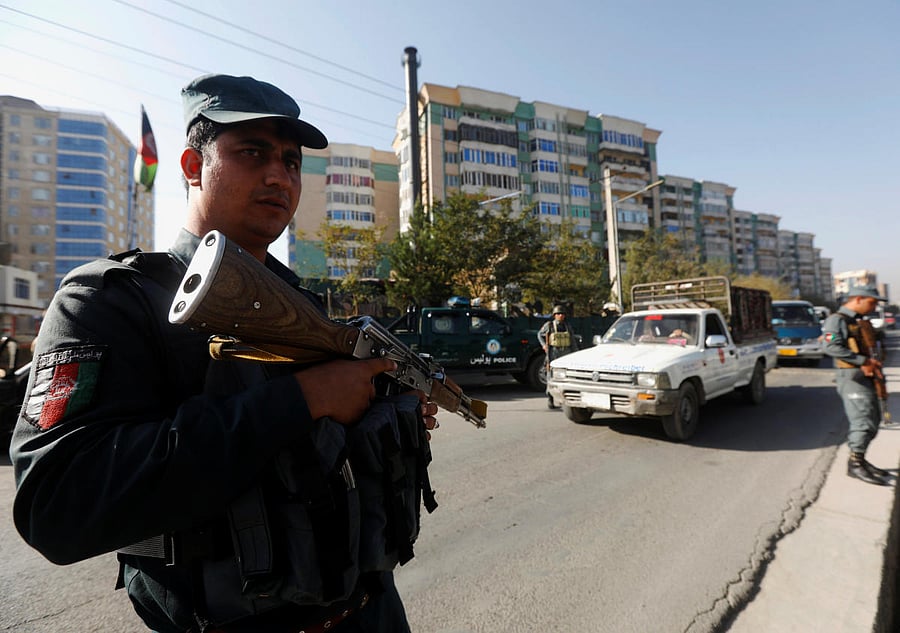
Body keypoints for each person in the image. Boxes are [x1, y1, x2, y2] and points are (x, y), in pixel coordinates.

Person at [9, 73, 439, 632]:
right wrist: (301, 399)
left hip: (371, 610)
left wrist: (386, 411)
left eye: (290, 160)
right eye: (252, 152)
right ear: (192, 166)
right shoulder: (109, 301)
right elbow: (57, 503)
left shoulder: (309, 310)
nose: (278, 174)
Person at [822, 284, 889, 485]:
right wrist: (863, 361)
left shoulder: (858, 321)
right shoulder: (836, 320)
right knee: (863, 421)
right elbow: (830, 346)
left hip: (866, 376)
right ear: (857, 299)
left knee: (873, 419)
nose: (874, 306)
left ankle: (860, 459)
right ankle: (855, 464)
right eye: (871, 302)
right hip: (852, 377)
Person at [539, 305, 579, 408]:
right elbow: (540, 334)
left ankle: (565, 400)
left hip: (566, 352)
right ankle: (550, 399)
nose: (560, 316)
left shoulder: (567, 326)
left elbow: (572, 340)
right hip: (554, 353)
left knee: (566, 377)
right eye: (558, 314)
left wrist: (575, 353)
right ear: (554, 315)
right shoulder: (550, 325)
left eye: (562, 314)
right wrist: (544, 345)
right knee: (551, 376)